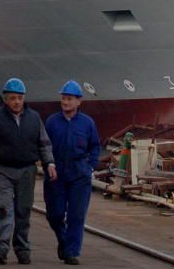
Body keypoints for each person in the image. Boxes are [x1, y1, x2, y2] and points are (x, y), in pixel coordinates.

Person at [0, 78, 56, 265]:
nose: (17, 102)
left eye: (19, 98)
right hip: (2, 170)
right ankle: (1, 248)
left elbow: (44, 143)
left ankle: (22, 248)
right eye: (12, 98)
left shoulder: (34, 118)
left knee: (23, 211)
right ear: (6, 99)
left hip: (27, 170)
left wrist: (49, 163)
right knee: (4, 209)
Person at [44, 81, 101, 265]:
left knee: (77, 216)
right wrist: (48, 164)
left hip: (79, 174)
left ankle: (71, 252)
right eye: (63, 98)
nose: (65, 102)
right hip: (56, 174)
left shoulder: (87, 123)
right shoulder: (52, 122)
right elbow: (44, 145)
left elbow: (95, 146)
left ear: (79, 101)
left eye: (69, 99)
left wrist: (90, 166)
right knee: (55, 214)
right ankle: (64, 240)